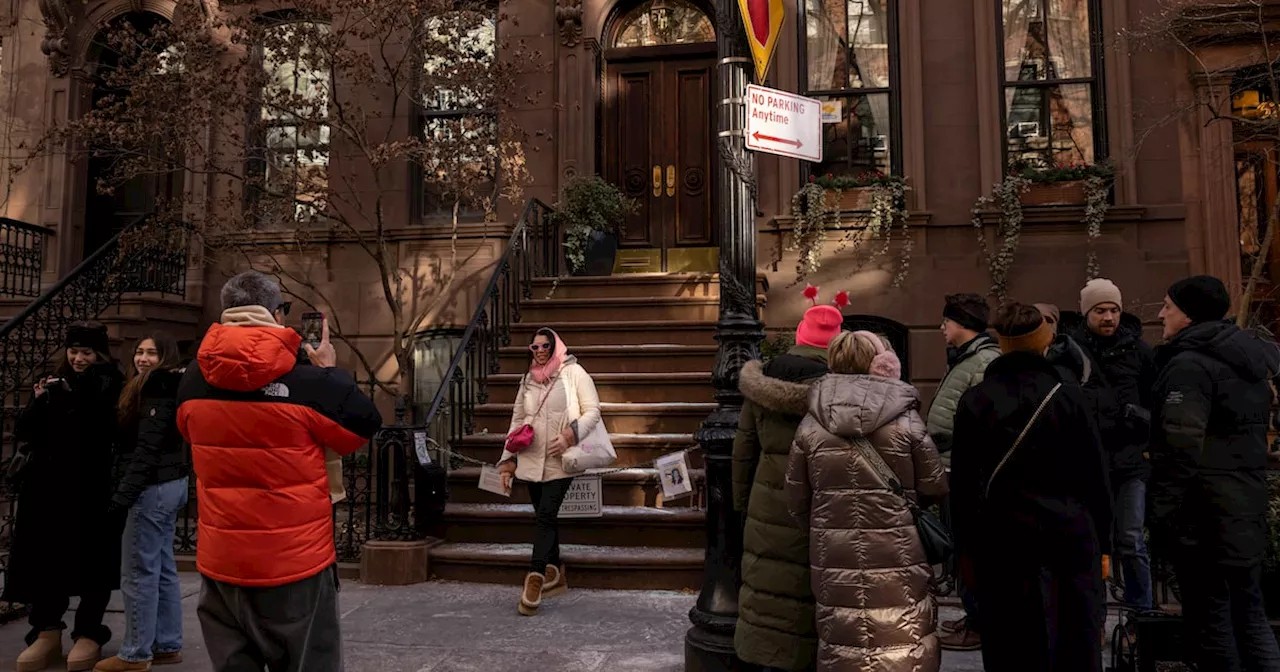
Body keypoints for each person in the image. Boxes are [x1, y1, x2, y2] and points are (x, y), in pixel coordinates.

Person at [176, 271, 382, 672]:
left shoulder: (193, 380)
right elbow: (363, 426)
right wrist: (330, 372)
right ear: (275, 313)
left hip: (223, 562)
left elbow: (186, 429)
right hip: (296, 562)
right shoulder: (309, 382)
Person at [949, 303, 1112, 672]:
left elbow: (962, 487)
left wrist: (965, 553)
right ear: (1046, 341)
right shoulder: (1070, 397)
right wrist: (1105, 542)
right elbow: (1096, 477)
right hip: (1070, 535)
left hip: (1001, 539)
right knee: (1072, 641)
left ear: (1002, 344)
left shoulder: (976, 400)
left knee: (1011, 644)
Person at [786, 330, 948, 672]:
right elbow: (934, 485)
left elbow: (797, 496)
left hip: (833, 551)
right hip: (899, 549)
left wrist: (825, 529)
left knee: (843, 637)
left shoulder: (810, 425)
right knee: (902, 636)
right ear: (883, 364)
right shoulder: (906, 419)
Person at [1149, 275, 1280, 672]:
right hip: (1245, 504)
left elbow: (1180, 444)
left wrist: (1160, 509)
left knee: (1212, 623)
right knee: (1250, 614)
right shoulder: (1249, 362)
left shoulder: (1188, 366)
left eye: (1167, 306)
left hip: (1203, 512)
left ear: (1188, 315)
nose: (1160, 315)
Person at [732, 290, 844, 672]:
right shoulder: (846, 390)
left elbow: (743, 452)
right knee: (819, 599)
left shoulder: (762, 383)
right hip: (829, 506)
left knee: (771, 595)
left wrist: (743, 505)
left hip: (770, 504)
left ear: (799, 334)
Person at [5, 322, 125, 672]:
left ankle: (88, 631)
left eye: (86, 352)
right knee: (46, 561)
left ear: (99, 354)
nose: (78, 358)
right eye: (73, 351)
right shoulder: (55, 382)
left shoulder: (110, 383)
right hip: (46, 490)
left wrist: (72, 397)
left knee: (91, 564)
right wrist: (41, 399)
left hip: (91, 491)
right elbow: (26, 431)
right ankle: (46, 631)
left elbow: (103, 429)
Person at [94, 333, 190, 672]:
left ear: (166, 357)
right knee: (162, 566)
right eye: (139, 351)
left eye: (152, 353)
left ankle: (136, 653)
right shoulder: (160, 385)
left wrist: (122, 497)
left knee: (138, 572)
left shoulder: (157, 386)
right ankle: (166, 643)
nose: (142, 358)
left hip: (152, 487)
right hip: (171, 483)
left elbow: (147, 449)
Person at [496, 327, 602, 616]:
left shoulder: (574, 373)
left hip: (561, 460)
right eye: (535, 347)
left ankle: (536, 577)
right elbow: (517, 419)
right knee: (545, 515)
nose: (540, 351)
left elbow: (593, 411)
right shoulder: (527, 379)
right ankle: (556, 572)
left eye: (545, 346)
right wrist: (508, 461)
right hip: (530, 459)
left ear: (556, 346)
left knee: (544, 516)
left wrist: (570, 434)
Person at [1069, 279, 1157, 613]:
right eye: (1101, 310)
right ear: (1087, 312)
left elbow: (1155, 403)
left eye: (1114, 310)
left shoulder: (1140, 352)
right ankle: (1095, 613)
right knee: (1094, 544)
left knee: (1131, 540)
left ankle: (1142, 613)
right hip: (1089, 463)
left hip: (1130, 462)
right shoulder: (1073, 350)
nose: (1108, 317)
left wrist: (1141, 424)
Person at [926, 293, 1000, 652]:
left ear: (964, 324)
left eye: (947, 321)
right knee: (961, 548)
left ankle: (980, 623)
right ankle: (973, 617)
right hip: (952, 466)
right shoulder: (965, 359)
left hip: (967, 471)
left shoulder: (983, 361)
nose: (942, 327)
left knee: (971, 551)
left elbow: (981, 418)